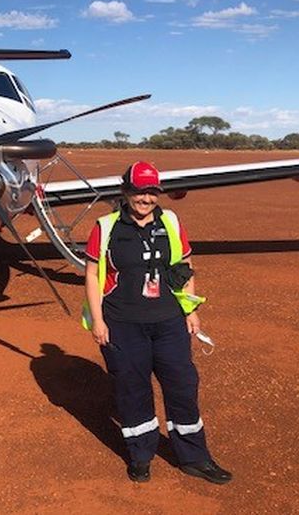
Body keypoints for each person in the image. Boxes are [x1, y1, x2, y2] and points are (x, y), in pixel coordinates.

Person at [83, 160, 232, 484]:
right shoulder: (107, 226)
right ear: (126, 191)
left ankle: (194, 457)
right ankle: (141, 455)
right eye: (139, 191)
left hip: (168, 323)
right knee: (132, 390)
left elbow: (185, 265)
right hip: (122, 324)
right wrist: (98, 320)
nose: (145, 198)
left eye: (151, 192)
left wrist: (190, 311)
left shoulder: (172, 222)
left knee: (182, 386)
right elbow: (93, 274)